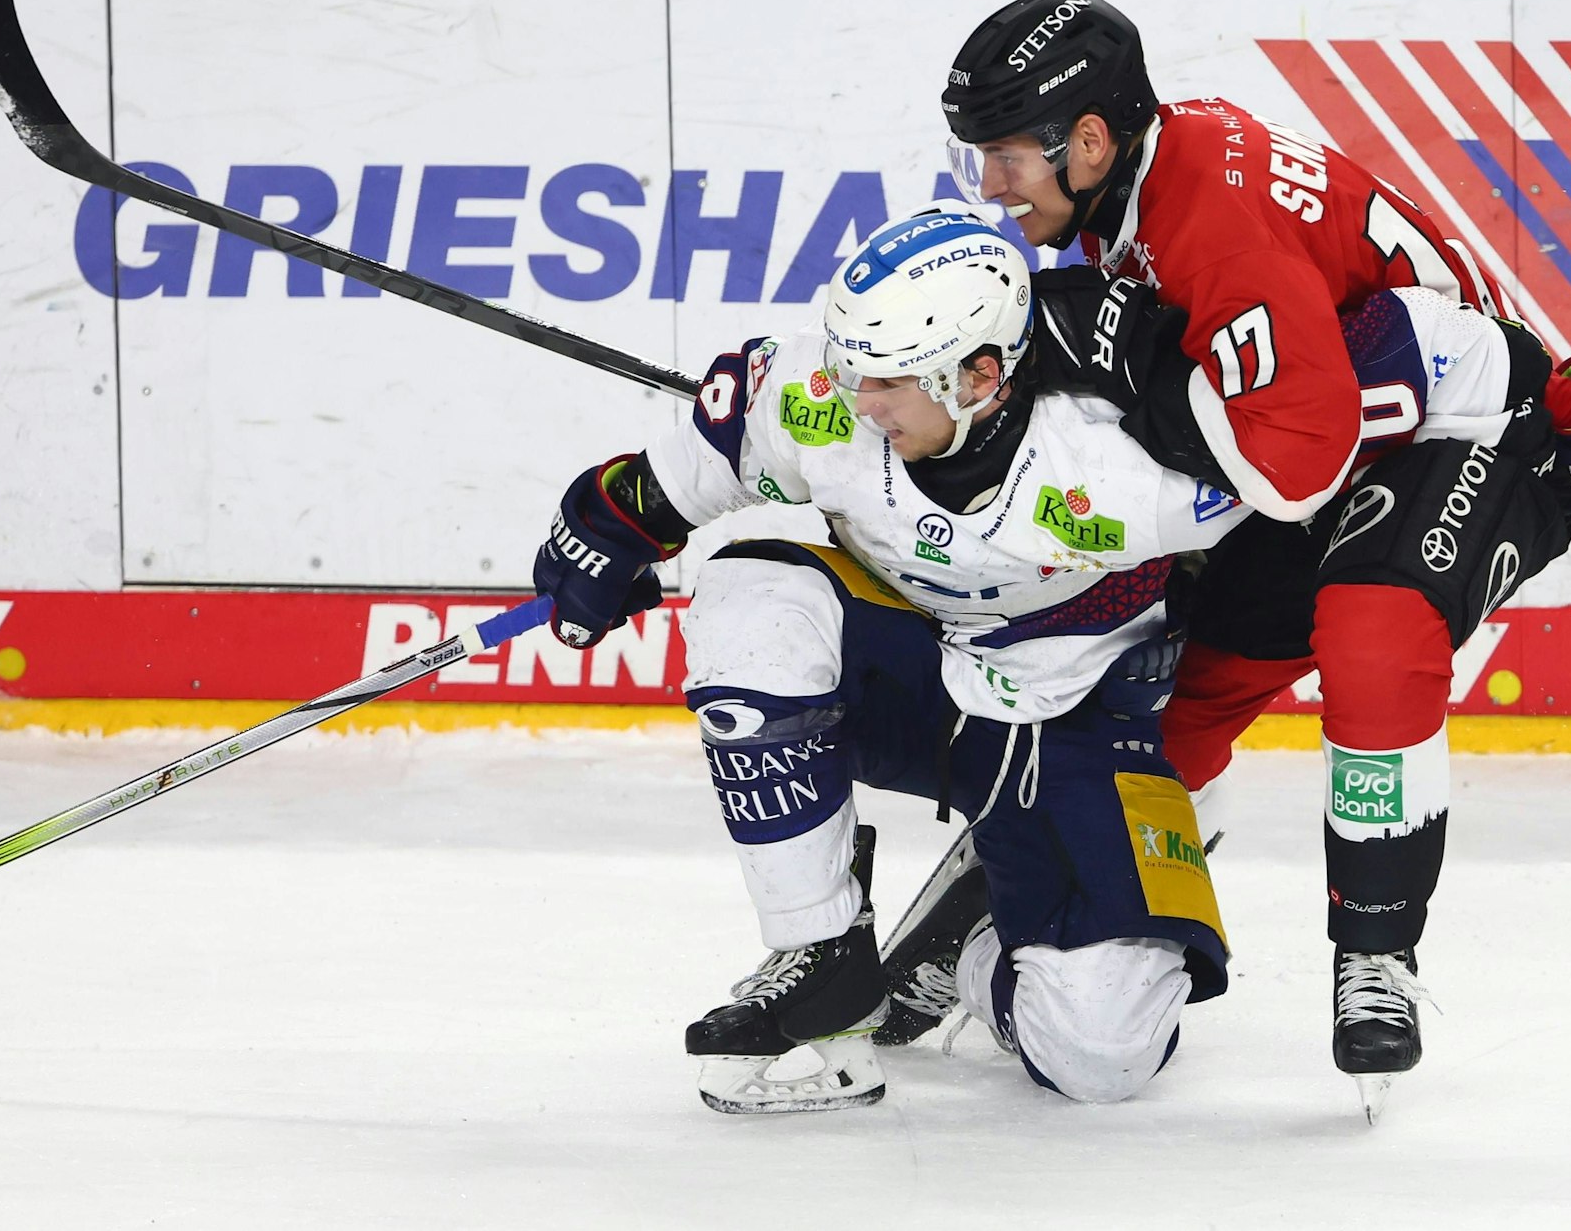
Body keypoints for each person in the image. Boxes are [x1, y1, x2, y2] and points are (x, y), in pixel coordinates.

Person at [883, 0, 1571, 1113]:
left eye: (1005, 156)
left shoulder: (1210, 223)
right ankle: (1001, 914)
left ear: (1090, 140)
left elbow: (1294, 461)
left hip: (1474, 429)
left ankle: (1377, 952)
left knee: (1371, 625)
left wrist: (1128, 354)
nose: (992, 184)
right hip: (1351, 432)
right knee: (1166, 707)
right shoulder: (1145, 175)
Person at [530, 204, 1243, 1113]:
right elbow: (669, 481)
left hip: (1073, 720)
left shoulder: (1131, 460)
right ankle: (820, 952)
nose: (859, 400)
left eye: (888, 380)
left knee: (1104, 1059)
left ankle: (979, 941)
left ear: (980, 375)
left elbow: (1309, 486)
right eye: (851, 367)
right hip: (910, 679)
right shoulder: (822, 396)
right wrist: (601, 535)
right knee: (752, 596)